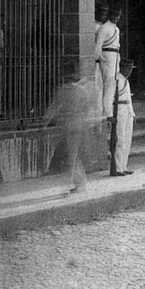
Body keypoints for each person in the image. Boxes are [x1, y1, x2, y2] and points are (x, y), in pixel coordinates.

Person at [44, 61, 98, 194]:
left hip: (69, 127)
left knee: (71, 156)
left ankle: (74, 184)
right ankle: (79, 183)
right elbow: (89, 107)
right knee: (74, 155)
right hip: (81, 125)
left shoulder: (63, 91)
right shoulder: (81, 91)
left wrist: (44, 123)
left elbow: (54, 108)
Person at [94, 7, 121, 119]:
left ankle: (108, 111)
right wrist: (97, 59)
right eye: (114, 15)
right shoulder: (104, 28)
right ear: (110, 16)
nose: (116, 18)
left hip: (114, 57)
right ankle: (106, 112)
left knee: (112, 84)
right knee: (106, 84)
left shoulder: (116, 29)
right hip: (106, 57)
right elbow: (98, 45)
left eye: (118, 16)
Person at [111, 57, 136, 176]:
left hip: (127, 110)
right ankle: (117, 167)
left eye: (131, 69)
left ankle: (123, 165)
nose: (130, 71)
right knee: (120, 139)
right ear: (122, 68)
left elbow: (129, 100)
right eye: (128, 68)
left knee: (127, 139)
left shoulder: (126, 81)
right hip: (119, 110)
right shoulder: (116, 79)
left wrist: (132, 113)